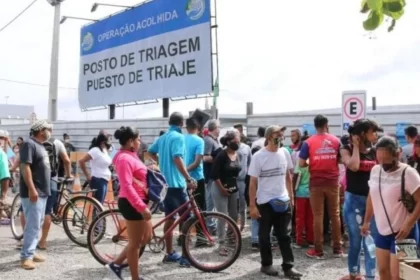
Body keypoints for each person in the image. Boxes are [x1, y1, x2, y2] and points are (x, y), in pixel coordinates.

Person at [360, 136, 420, 280]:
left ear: (397, 154)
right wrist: (367, 221)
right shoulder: (375, 170)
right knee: (383, 273)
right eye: (379, 158)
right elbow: (371, 196)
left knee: (400, 276)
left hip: (405, 233)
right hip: (382, 231)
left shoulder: (409, 173)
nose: (383, 163)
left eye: (386, 159)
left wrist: (409, 224)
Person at [248, 125, 302, 278]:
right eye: (278, 133)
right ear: (269, 136)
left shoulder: (285, 152)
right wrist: (252, 205)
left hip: (283, 200)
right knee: (264, 235)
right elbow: (252, 182)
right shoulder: (259, 156)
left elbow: (287, 176)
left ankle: (288, 267)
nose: (281, 135)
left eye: (282, 133)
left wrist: (291, 197)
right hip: (265, 202)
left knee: (284, 235)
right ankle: (266, 265)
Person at [148, 112, 196, 267]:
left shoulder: (162, 138)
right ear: (181, 123)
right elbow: (177, 158)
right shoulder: (179, 137)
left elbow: (149, 151)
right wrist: (188, 178)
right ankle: (185, 256)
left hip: (165, 185)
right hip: (176, 184)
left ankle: (169, 253)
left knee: (170, 218)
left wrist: (160, 161)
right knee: (187, 219)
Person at [106, 126, 153, 280]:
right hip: (132, 203)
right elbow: (126, 185)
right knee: (135, 243)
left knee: (147, 237)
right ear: (131, 141)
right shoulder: (124, 159)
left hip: (139, 202)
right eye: (138, 139)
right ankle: (135, 278)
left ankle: (116, 265)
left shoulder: (131, 155)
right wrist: (141, 207)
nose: (140, 142)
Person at [339, 119, 381, 280]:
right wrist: (356, 146)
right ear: (363, 134)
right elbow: (354, 166)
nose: (375, 135)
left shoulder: (376, 150)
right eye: (372, 131)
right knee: (355, 241)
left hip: (373, 201)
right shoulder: (346, 149)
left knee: (370, 241)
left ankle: (370, 276)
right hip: (354, 201)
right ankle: (354, 274)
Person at [299, 114, 343, 259]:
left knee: (318, 215)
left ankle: (318, 250)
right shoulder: (336, 140)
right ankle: (337, 249)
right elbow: (341, 160)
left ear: (315, 125)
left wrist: (312, 163)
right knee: (335, 214)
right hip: (332, 182)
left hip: (316, 182)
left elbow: (300, 163)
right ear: (326, 124)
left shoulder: (308, 142)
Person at [19, 120, 52, 270]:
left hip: (42, 192)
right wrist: (32, 189)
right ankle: (26, 257)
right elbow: (25, 167)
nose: (49, 132)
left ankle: (31, 252)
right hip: (34, 191)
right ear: (40, 130)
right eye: (47, 129)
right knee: (32, 225)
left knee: (37, 223)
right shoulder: (29, 144)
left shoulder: (41, 146)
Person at [210, 129, 241, 255]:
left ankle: (230, 239)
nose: (238, 142)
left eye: (239, 140)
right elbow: (214, 174)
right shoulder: (221, 155)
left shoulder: (237, 155)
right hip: (219, 187)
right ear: (229, 141)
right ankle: (221, 243)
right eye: (236, 140)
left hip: (233, 188)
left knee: (233, 215)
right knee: (222, 216)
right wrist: (222, 188)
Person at [79, 134, 112, 205]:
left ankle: (98, 216)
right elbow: (81, 161)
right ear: (102, 142)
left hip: (104, 180)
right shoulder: (95, 150)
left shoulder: (104, 150)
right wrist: (87, 176)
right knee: (98, 204)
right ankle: (97, 216)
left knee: (100, 204)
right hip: (98, 180)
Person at [184, 118, 205, 211]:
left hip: (183, 178)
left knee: (185, 209)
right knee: (199, 209)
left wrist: (183, 171)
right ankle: (200, 226)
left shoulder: (181, 138)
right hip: (197, 178)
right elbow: (196, 163)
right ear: (198, 127)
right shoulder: (199, 140)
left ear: (186, 127)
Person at [293, 153, 314, 249]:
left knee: (300, 217)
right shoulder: (314, 160)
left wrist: (293, 190)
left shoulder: (300, 161)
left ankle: (300, 240)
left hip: (301, 192)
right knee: (311, 217)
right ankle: (311, 239)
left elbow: (296, 175)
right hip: (312, 192)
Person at [203, 119, 221, 230]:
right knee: (210, 200)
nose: (220, 129)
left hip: (213, 175)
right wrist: (219, 159)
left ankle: (211, 223)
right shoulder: (209, 141)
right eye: (219, 127)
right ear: (215, 128)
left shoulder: (214, 140)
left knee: (213, 200)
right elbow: (205, 157)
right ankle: (210, 224)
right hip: (210, 175)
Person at [237, 138, 252, 231]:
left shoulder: (246, 148)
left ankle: (242, 225)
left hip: (242, 180)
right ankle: (233, 226)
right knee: (232, 205)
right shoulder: (226, 148)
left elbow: (250, 162)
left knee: (242, 204)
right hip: (231, 180)